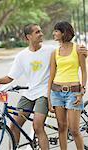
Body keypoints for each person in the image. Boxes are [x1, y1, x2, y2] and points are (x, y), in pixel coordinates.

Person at [0, 23, 87, 150]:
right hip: (29, 93)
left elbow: (68, 52)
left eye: (41, 31)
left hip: (44, 93)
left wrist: (84, 52)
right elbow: (10, 77)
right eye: (37, 32)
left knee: (37, 125)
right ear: (28, 37)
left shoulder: (51, 50)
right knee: (14, 125)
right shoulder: (22, 56)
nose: (41, 34)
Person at [48, 21, 87, 150]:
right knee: (62, 127)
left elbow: (84, 71)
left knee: (74, 129)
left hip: (73, 92)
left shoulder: (78, 49)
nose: (54, 33)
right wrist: (49, 97)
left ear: (64, 32)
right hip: (56, 91)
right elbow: (52, 75)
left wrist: (82, 91)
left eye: (56, 31)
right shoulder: (55, 52)